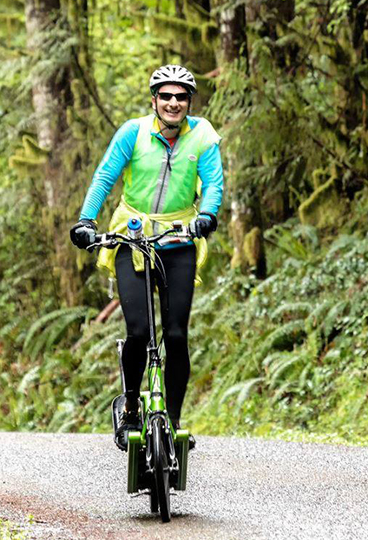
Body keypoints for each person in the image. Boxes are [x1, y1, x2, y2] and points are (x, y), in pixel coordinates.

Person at [70, 65, 224, 451]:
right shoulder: (133, 133)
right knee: (139, 331)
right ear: (154, 100)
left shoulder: (202, 136)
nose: (174, 103)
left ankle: (171, 423)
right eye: (166, 96)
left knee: (176, 335)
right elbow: (105, 176)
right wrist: (86, 220)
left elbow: (213, 183)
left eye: (181, 97)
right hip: (131, 237)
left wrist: (206, 216)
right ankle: (132, 409)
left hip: (179, 239)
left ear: (189, 102)